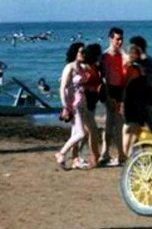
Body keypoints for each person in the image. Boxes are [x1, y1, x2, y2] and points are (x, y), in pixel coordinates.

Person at [122, 36, 152, 156]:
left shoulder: (145, 62)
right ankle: (133, 153)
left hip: (149, 100)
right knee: (140, 127)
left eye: (132, 47)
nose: (130, 50)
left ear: (138, 48)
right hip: (145, 100)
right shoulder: (145, 61)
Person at [55, 42, 95, 170]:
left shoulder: (82, 67)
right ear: (75, 53)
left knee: (75, 133)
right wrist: (65, 106)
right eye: (81, 52)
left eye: (84, 52)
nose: (83, 54)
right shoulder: (70, 67)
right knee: (81, 134)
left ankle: (75, 160)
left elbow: (83, 81)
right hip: (73, 105)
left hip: (81, 103)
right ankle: (61, 153)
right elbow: (62, 88)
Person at [100, 27, 128, 166]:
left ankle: (112, 153)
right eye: (117, 39)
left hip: (120, 89)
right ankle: (110, 153)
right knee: (112, 122)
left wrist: (122, 52)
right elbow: (103, 77)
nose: (120, 42)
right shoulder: (105, 56)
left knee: (116, 122)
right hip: (110, 89)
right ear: (111, 39)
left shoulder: (122, 55)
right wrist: (108, 96)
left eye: (121, 39)